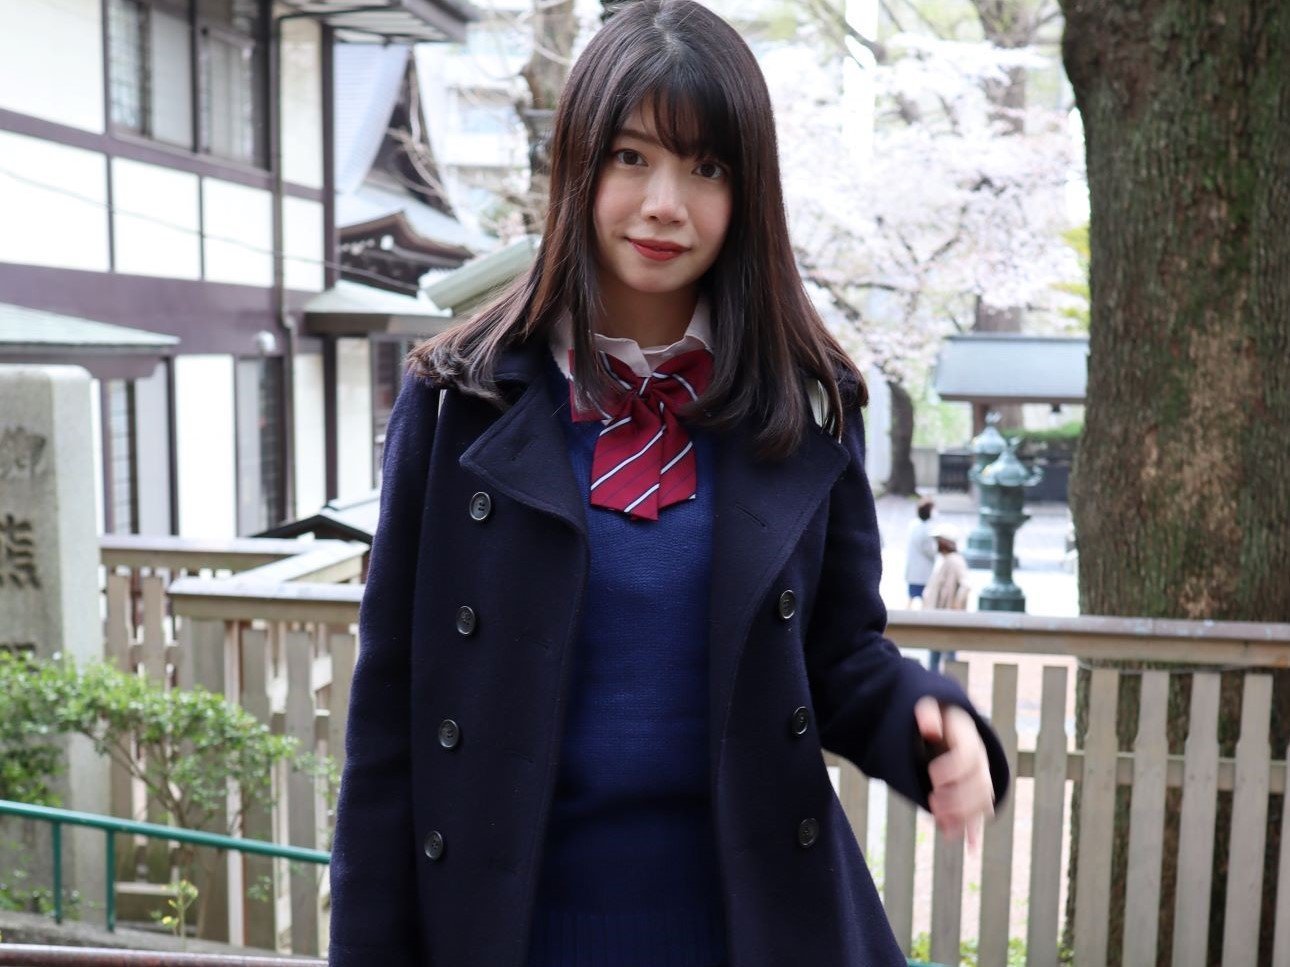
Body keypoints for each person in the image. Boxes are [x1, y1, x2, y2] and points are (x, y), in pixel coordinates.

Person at [327, 4, 1008, 966]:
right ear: (578, 163)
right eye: (632, 156)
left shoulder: (808, 404)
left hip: (746, 930)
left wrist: (928, 725)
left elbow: (841, 654)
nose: (664, 203)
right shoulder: (456, 402)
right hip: (512, 931)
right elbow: (390, 720)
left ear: (748, 191)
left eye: (707, 168)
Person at [923, 525, 970, 672]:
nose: (937, 544)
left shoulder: (955, 561)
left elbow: (966, 585)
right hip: (939, 616)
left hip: (947, 617)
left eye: (939, 541)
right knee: (936, 653)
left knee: (947, 655)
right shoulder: (945, 560)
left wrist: (956, 605)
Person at [904, 497, 937, 606]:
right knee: (924, 597)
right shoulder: (926, 529)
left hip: (914, 569)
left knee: (912, 596)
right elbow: (929, 550)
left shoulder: (914, 524)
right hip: (922, 571)